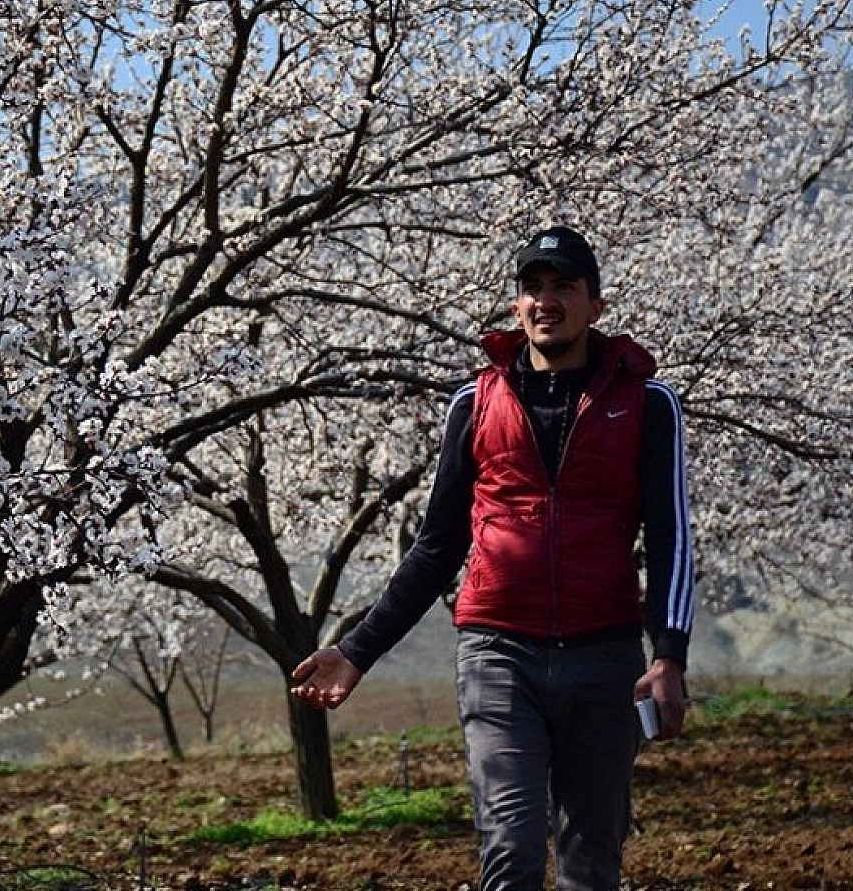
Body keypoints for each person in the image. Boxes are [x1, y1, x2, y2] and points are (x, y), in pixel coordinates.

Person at [292, 225, 694, 891]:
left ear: (595, 305)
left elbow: (672, 537)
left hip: (605, 655)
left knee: (592, 863)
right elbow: (437, 545)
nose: (545, 301)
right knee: (510, 853)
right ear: (516, 308)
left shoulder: (647, 403)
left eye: (564, 287)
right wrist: (358, 650)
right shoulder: (474, 404)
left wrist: (668, 656)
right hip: (498, 656)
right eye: (532, 288)